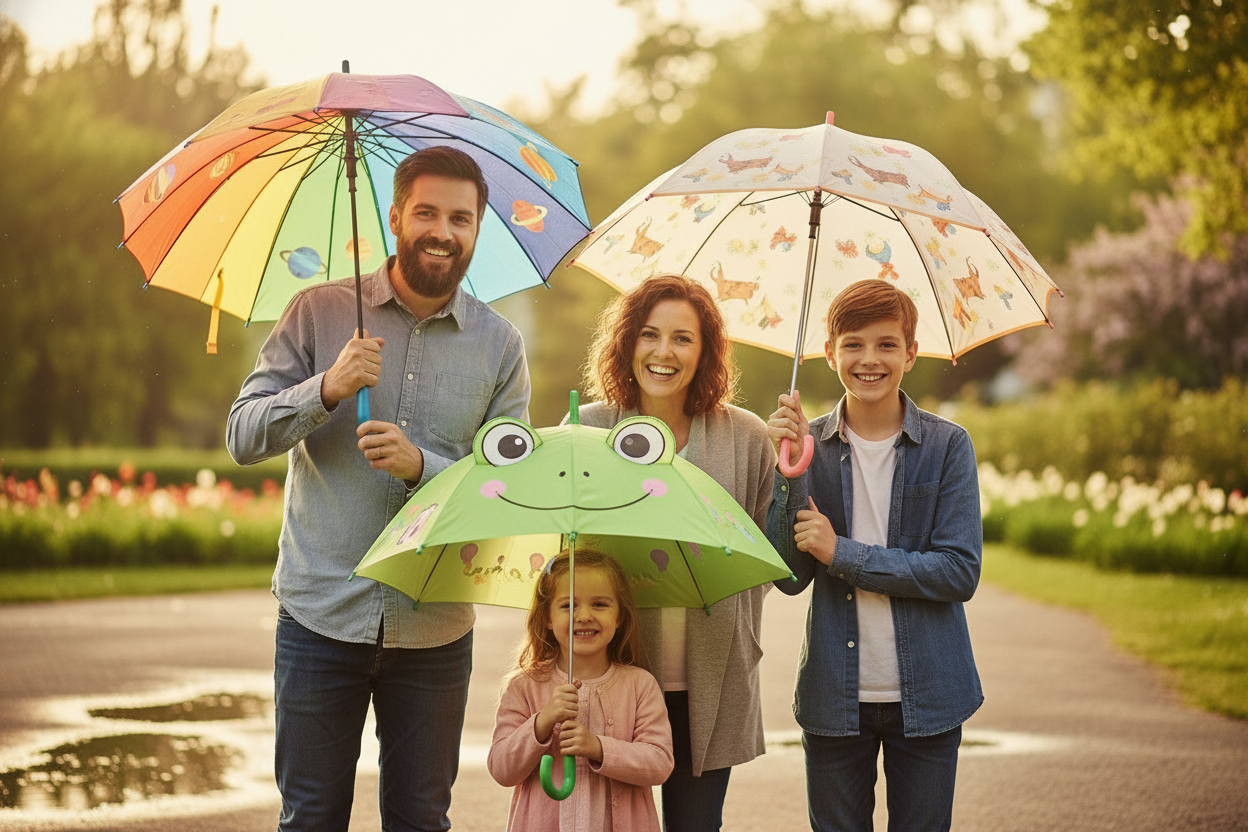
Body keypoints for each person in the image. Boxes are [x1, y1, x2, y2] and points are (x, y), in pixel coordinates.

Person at [226, 146, 530, 832]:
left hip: (434, 626)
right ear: (395, 215)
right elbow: (242, 435)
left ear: (478, 227)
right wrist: (326, 389)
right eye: (426, 211)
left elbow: (512, 484)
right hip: (319, 616)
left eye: (461, 217)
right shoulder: (316, 314)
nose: (443, 231)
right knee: (310, 818)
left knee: (421, 820)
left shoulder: (500, 345)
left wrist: (424, 465)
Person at [764, 278, 984, 832]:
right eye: (854, 343)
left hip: (930, 695)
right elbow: (788, 578)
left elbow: (959, 570)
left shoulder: (947, 445)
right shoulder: (804, 444)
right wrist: (783, 470)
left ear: (911, 353)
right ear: (829, 351)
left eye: (887, 344)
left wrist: (844, 553)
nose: (869, 359)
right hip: (834, 699)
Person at [569, 274, 776, 832]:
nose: (664, 352)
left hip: (711, 678)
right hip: (614, 679)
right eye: (649, 335)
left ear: (705, 351)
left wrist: (792, 470)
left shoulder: (747, 436)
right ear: (626, 343)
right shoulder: (586, 429)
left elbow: (773, 560)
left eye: (683, 338)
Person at [488, 548, 673, 831]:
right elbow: (502, 769)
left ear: (620, 615)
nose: (584, 615)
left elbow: (659, 762)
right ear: (547, 618)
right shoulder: (524, 686)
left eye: (599, 604)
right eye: (568, 606)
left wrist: (598, 747)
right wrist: (542, 721)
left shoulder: (640, 685)